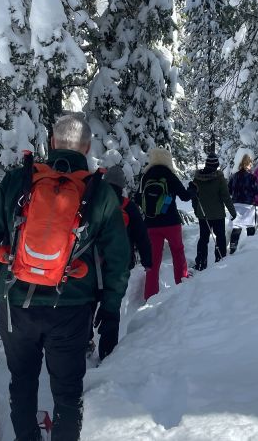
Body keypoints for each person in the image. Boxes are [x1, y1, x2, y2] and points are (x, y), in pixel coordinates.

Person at [0, 115, 130, 441]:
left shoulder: (18, 181)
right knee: (68, 389)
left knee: (22, 380)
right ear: (86, 148)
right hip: (72, 306)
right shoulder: (99, 192)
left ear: (52, 143)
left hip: (16, 303)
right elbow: (117, 258)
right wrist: (110, 309)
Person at [89, 164, 152, 359]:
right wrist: (148, 260)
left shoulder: (92, 201)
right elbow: (141, 236)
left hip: (92, 263)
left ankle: (84, 341)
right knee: (112, 305)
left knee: (88, 303)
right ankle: (107, 354)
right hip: (119, 265)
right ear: (122, 185)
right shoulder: (128, 206)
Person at [135, 147, 196, 300]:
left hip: (151, 224)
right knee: (177, 252)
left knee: (153, 259)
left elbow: (138, 198)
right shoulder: (170, 175)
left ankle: (150, 295)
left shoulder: (145, 176)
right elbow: (185, 197)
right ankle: (181, 283)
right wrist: (192, 190)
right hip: (171, 223)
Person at [191, 152, 236, 271]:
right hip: (218, 215)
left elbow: (194, 196)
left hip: (203, 214)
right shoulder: (219, 178)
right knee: (220, 237)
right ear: (216, 165)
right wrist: (233, 211)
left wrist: (196, 210)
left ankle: (200, 262)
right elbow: (225, 196)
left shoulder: (197, 178)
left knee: (203, 239)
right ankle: (220, 261)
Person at [228, 153, 258, 254]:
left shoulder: (234, 176)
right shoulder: (252, 177)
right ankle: (250, 251)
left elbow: (229, 190)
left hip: (236, 204)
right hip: (248, 204)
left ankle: (232, 249)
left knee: (236, 228)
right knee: (250, 228)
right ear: (250, 164)